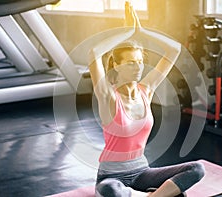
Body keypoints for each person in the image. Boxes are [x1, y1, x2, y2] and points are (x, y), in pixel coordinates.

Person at [88, 2, 205, 197]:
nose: (138, 67)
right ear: (116, 65)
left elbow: (174, 49)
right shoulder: (108, 96)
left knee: (197, 169)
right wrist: (126, 32)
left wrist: (141, 31)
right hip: (112, 176)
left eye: (140, 62)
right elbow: (93, 53)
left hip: (142, 172)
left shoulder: (146, 91)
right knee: (112, 191)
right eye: (131, 63)